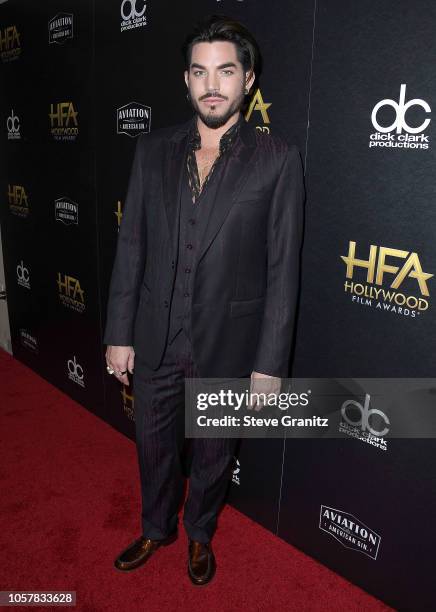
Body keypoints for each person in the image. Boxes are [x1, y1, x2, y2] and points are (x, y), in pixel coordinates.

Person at [103, 14, 304, 586]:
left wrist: (269, 365)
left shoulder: (278, 158)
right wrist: (119, 332)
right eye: (199, 72)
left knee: (215, 454)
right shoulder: (152, 151)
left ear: (248, 80)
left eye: (225, 71)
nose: (211, 84)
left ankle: (198, 534)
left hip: (230, 342)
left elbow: (283, 269)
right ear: (186, 80)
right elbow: (132, 245)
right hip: (155, 335)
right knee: (153, 446)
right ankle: (155, 527)